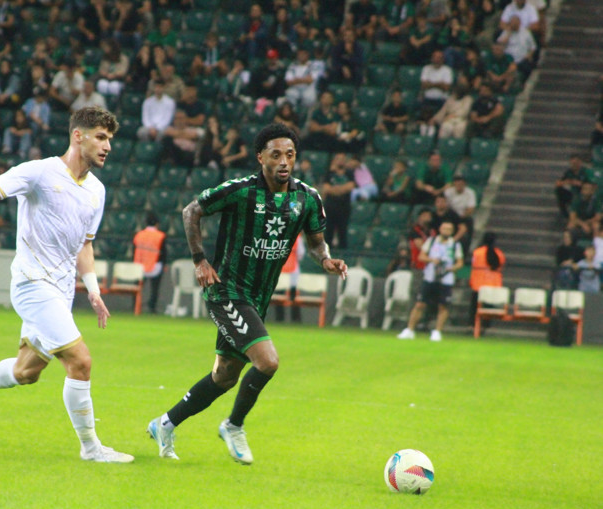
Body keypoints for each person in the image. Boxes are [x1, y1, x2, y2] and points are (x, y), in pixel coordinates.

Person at [0, 107, 133, 464]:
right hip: (31, 284)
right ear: (78, 136)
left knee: (26, 372)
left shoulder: (97, 192)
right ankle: (91, 448)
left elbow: (85, 244)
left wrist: (93, 289)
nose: (108, 147)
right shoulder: (40, 171)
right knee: (80, 361)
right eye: (101, 138)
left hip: (60, 291)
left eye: (110, 140)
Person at [146, 123, 348, 464]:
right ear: (260, 157)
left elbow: (315, 244)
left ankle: (164, 423)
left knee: (224, 376)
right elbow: (191, 211)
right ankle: (234, 424)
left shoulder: (307, 199)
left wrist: (325, 260)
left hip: (258, 297)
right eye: (276, 155)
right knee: (267, 361)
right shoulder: (240, 191)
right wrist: (199, 260)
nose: (284, 161)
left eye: (290, 155)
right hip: (226, 291)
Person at [397, 220, 464, 342]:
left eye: (449, 229)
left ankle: (437, 331)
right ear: (440, 229)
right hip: (430, 276)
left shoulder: (455, 245)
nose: (446, 231)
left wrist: (451, 268)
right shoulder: (432, 241)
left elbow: (460, 262)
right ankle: (410, 329)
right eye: (444, 228)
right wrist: (432, 260)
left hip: (446, 279)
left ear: (452, 231)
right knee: (420, 303)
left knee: (443, 306)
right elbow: (421, 256)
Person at [132, 211, 167, 314]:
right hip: (155, 265)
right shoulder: (160, 236)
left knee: (136, 288)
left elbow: (134, 250)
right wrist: (164, 265)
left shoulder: (139, 235)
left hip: (139, 266)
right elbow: (163, 252)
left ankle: (135, 306)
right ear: (157, 224)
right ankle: (152, 307)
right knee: (154, 288)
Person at [469, 232, 505, 322]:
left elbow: (473, 264)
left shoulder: (477, 252)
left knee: (475, 307)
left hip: (478, 284)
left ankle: (473, 325)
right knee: (488, 308)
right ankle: (486, 325)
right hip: (493, 285)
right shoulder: (499, 254)